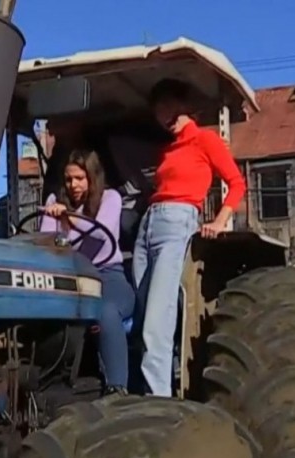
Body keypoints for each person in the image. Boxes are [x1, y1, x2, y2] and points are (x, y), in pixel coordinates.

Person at [133, 78, 247, 397]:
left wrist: (220, 221)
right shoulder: (167, 148)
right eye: (157, 111)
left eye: (167, 107)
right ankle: (149, 383)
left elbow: (236, 183)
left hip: (177, 219)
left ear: (183, 105)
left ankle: (158, 401)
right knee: (142, 312)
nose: (162, 116)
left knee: (158, 314)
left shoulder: (205, 139)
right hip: (149, 223)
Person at [40, 149, 135, 396]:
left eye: (80, 178)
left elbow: (101, 233)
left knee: (105, 309)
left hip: (108, 276)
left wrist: (68, 218)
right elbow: (45, 243)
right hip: (71, 279)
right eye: (69, 179)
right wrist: (54, 220)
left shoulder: (109, 198)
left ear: (92, 177)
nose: (74, 185)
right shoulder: (55, 203)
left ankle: (118, 388)